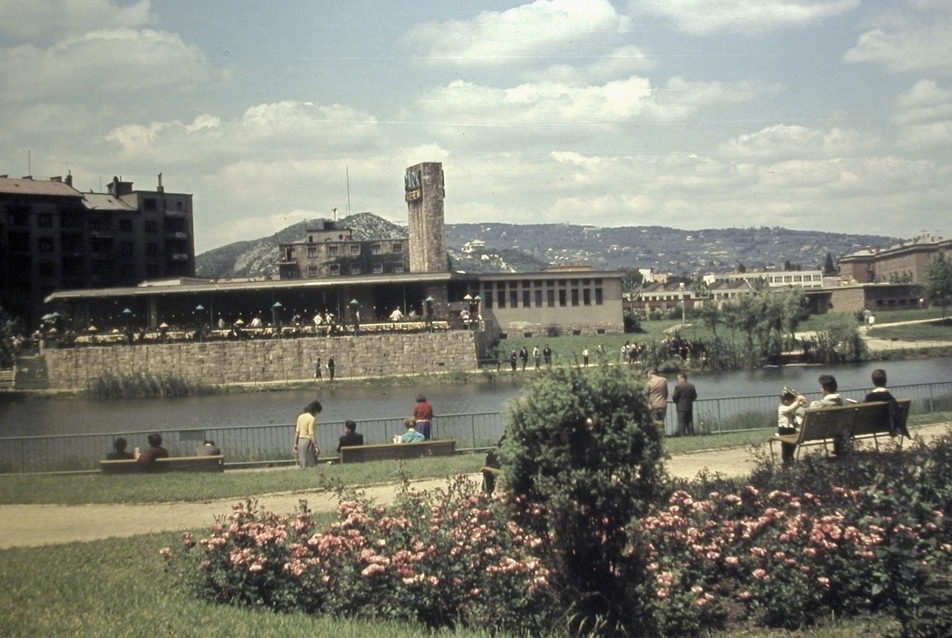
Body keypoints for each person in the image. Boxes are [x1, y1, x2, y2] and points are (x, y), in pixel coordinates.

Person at [801, 374, 846, 455]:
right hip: (837, 431)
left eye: (821, 387)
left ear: (826, 389)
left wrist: (798, 405)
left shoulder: (819, 405)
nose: (820, 389)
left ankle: (787, 459)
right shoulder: (840, 402)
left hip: (819, 432)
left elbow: (803, 413)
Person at [865, 369, 910, 438]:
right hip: (888, 425)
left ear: (873, 381)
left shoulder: (869, 397)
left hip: (873, 426)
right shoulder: (889, 398)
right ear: (885, 381)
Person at [777, 387, 806, 464]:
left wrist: (799, 401)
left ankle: (791, 456)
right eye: (785, 400)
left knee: (792, 444)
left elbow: (794, 411)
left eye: (790, 400)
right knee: (785, 445)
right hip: (784, 429)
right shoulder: (781, 408)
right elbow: (790, 409)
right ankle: (785, 458)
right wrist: (797, 402)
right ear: (782, 400)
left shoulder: (792, 408)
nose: (787, 401)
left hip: (791, 428)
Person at [293, 401, 322, 468]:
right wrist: (316, 446)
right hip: (308, 442)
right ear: (315, 411)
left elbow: (297, 431)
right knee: (311, 462)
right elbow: (311, 434)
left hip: (300, 441)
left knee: (303, 462)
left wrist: (295, 443)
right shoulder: (312, 419)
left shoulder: (300, 417)